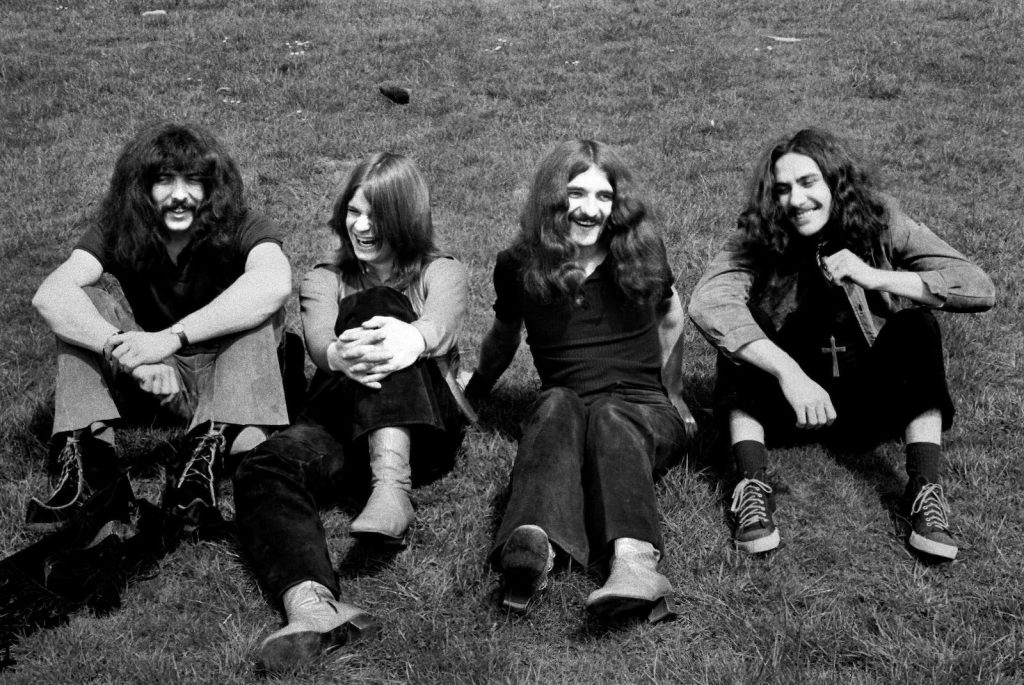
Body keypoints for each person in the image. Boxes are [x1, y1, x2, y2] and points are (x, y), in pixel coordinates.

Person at [688, 128, 995, 560]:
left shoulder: (879, 220)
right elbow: (709, 302)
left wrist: (876, 277)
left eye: (808, 183)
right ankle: (751, 485)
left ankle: (924, 491)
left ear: (835, 181)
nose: (795, 201)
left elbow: (978, 286)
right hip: (791, 406)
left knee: (917, 326)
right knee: (741, 333)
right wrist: (788, 373)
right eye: (782, 189)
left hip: (867, 404)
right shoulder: (759, 234)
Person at [233, 153, 473, 674]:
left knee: (381, 304)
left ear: (405, 218)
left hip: (423, 424)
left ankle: (393, 487)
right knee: (264, 465)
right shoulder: (324, 277)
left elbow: (444, 324)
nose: (361, 226)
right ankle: (312, 607)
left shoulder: (443, 271)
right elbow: (319, 342)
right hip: (341, 422)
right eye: (353, 212)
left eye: (376, 215)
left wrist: (409, 338)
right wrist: (341, 355)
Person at [464, 139, 695, 622]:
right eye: (576, 194)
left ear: (617, 204)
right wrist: (476, 389)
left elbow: (672, 313)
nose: (591, 210)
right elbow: (504, 337)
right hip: (569, 407)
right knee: (552, 404)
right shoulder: (518, 266)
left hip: (641, 408)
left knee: (611, 416)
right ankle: (531, 545)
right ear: (552, 198)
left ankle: (635, 562)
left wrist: (673, 392)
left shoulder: (640, 251)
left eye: (604, 197)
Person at [28, 122, 292, 530]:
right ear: (141, 187)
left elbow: (274, 283)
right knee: (86, 301)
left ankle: (199, 466)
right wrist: (126, 351)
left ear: (213, 186)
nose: (180, 195)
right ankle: (88, 466)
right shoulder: (120, 227)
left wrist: (171, 338)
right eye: (164, 181)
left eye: (194, 181)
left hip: (233, 375)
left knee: (260, 311)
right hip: (155, 380)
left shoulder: (242, 223)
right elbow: (51, 293)